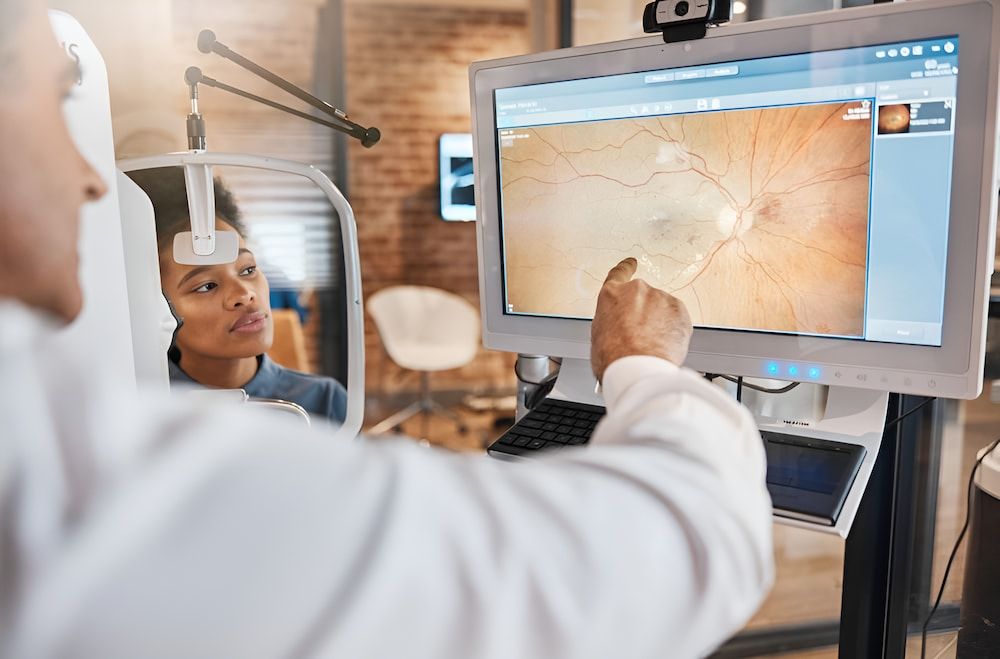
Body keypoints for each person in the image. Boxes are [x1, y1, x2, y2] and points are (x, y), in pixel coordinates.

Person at [0, 1, 773, 657]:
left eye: (246, 270)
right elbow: (656, 557)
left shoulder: (295, 410)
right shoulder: (79, 476)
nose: (92, 176)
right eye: (53, 107)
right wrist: (641, 365)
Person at [127, 167, 348, 424]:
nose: (245, 294)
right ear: (155, 305)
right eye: (207, 286)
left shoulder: (324, 403)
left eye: (248, 269)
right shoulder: (141, 410)